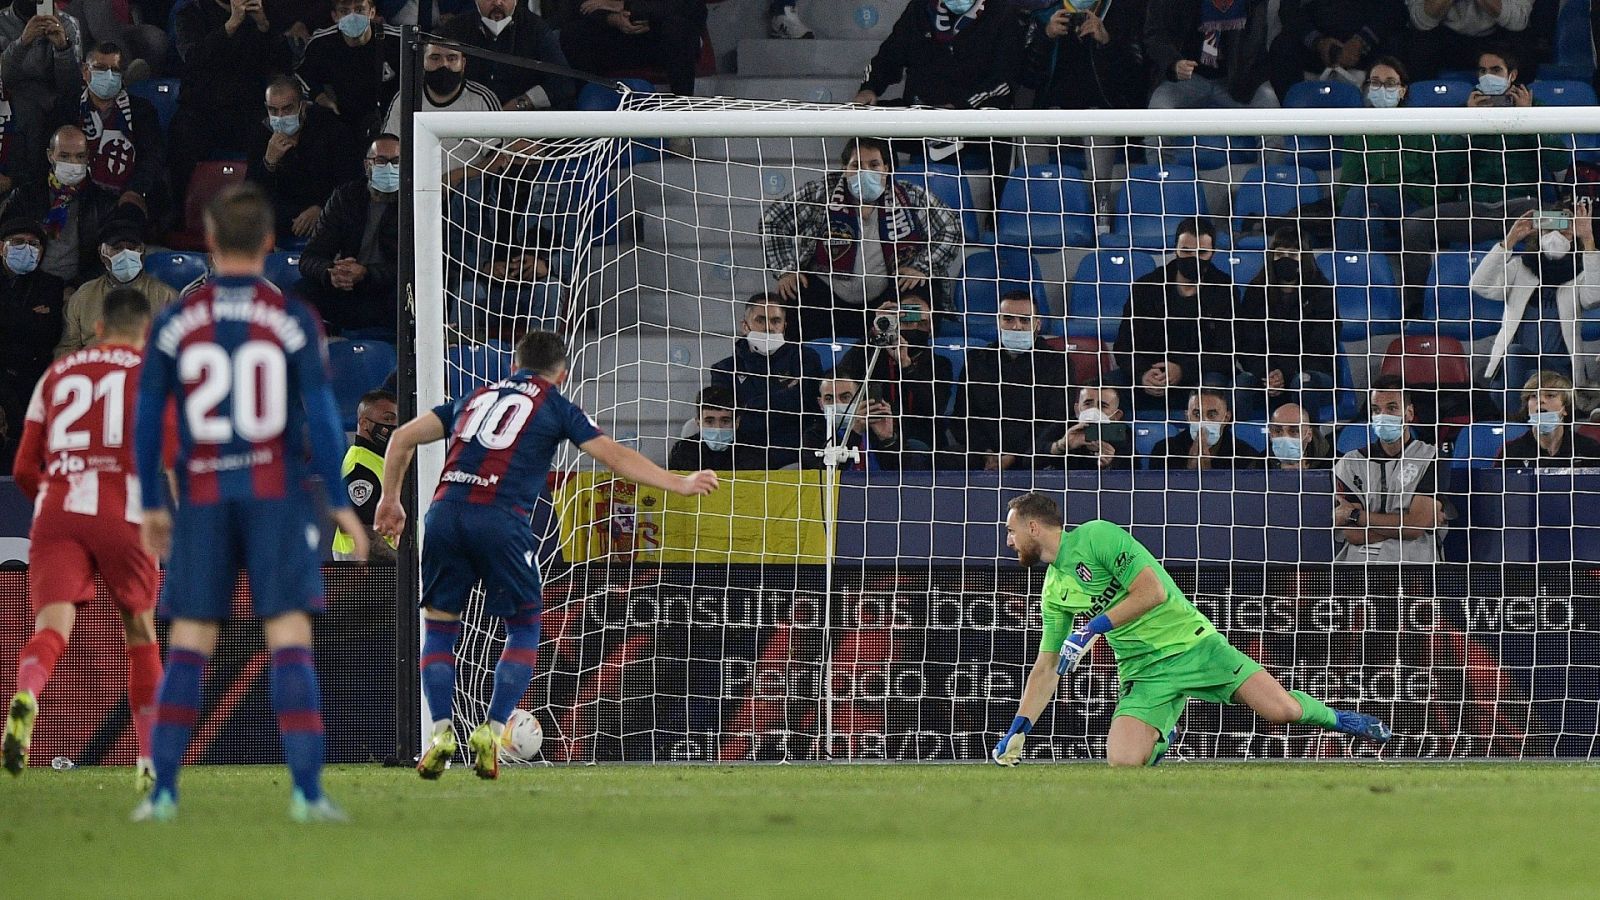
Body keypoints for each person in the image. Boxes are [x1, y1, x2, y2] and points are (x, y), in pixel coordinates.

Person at [373, 330, 718, 779]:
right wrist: (680, 483)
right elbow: (611, 456)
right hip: (500, 520)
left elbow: (401, 437)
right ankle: (493, 730)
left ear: (514, 364)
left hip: (444, 514)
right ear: (563, 373)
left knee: (439, 629)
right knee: (524, 626)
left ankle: (440, 731)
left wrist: (390, 499)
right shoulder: (554, 404)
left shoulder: (476, 396)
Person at [130, 184, 367, 823]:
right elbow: (320, 415)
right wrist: (341, 501)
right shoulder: (292, 319)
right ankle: (309, 795)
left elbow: (148, 417)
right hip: (276, 496)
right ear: (269, 244)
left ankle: (164, 794)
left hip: (203, 495)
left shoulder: (175, 321)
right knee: (288, 638)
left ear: (208, 240)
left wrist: (151, 499)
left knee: (189, 642)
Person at [991, 491, 1391, 767]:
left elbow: (1152, 592)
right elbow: (1046, 667)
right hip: (1143, 672)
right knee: (1123, 762)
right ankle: (1164, 734)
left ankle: (1339, 719)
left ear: (1032, 528)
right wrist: (1018, 729)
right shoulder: (1054, 590)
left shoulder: (1097, 535)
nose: (1008, 541)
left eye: (1010, 531)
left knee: (1282, 711)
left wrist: (1091, 628)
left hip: (1195, 646)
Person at [4, 288, 161, 786]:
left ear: (97, 327)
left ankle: (27, 693)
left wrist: (54, 503)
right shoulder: (154, 375)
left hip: (58, 511)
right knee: (140, 633)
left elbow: (25, 466)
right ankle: (149, 759)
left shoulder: (57, 374)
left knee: (51, 628)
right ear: (147, 333)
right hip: (125, 512)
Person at [1398, 48, 1570, 306]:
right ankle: (1414, 308)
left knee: (1566, 223)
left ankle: (1548, 307)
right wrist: (1466, 126)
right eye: (1483, 71)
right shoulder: (1464, 111)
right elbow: (1443, 173)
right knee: (1414, 225)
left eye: (1495, 70)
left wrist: (1529, 118)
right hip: (1473, 211)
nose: (1488, 76)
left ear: (1512, 75)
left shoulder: (1535, 108)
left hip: (1523, 210)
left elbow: (1560, 162)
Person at [760, 137, 961, 343]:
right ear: (845, 169)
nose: (864, 172)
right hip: (827, 298)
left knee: (919, 297)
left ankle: (910, 365)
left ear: (886, 168)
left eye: (873, 165)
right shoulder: (822, 192)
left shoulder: (910, 195)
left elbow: (952, 226)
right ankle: (804, 370)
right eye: (856, 165)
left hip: (887, 298)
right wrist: (785, 269)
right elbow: (773, 219)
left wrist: (923, 266)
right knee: (793, 294)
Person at [1022, 0, 1147, 228]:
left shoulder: (1121, 12)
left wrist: (1106, 41)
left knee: (1097, 125)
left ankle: (1101, 207)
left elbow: (1135, 80)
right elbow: (1026, 77)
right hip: (1054, 111)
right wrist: (1046, 36)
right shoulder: (1044, 15)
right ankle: (1039, 205)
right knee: (1027, 132)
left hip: (1100, 111)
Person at [1333, 56, 1467, 252]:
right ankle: (1372, 277)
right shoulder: (1359, 129)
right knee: (1372, 222)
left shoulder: (1419, 127)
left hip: (1417, 207)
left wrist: (1399, 190)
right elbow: (1347, 186)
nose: (1382, 88)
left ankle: (1341, 266)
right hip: (1373, 205)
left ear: (1402, 90)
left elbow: (1442, 187)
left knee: (1361, 192)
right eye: (1376, 83)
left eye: (1390, 83)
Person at [1470, 200, 1600, 398]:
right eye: (1549, 230)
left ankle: (1518, 420)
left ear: (1573, 237)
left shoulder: (1580, 273)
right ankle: (1521, 420)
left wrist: (1589, 240)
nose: (1556, 236)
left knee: (1514, 359)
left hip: (1558, 369)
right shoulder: (1520, 267)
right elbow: (1480, 285)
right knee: (1502, 383)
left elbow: (1595, 298)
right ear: (1539, 233)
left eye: (1564, 230)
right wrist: (1509, 241)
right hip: (1517, 369)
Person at [168, 0, 294, 205]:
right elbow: (193, 58)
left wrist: (264, 27)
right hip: (201, 108)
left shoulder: (262, 12)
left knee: (273, 135)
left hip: (246, 107)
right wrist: (231, 25)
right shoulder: (192, 12)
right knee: (182, 133)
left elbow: (283, 66)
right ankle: (183, 211)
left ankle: (259, 212)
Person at [1111, 216, 1233, 416]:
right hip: (1149, 375)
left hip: (1198, 377)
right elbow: (1124, 346)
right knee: (1104, 392)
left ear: (1213, 253)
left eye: (1201, 252)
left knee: (1213, 391)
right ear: (1175, 248)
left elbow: (1227, 352)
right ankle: (1106, 445)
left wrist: (1182, 370)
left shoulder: (1224, 289)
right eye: (1186, 251)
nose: (1193, 258)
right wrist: (1142, 374)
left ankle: (1207, 446)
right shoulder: (1147, 287)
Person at [1332, 375, 1446, 563]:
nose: (1383, 416)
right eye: (1376, 410)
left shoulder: (1431, 458)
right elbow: (1353, 534)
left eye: (1391, 408)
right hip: (1360, 563)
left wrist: (1355, 515)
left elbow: (1414, 527)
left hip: (1414, 564)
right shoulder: (1350, 462)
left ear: (1409, 413)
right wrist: (1405, 524)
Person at [48, 41, 168, 220]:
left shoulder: (141, 110)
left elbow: (153, 157)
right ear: (85, 71)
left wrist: (135, 190)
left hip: (126, 195)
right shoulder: (67, 107)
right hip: (75, 194)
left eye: (115, 70)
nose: (109, 76)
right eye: (101, 68)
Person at [296, 132, 400, 339]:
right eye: (380, 161)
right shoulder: (345, 198)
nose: (389, 168)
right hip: (348, 289)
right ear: (366, 165)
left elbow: (417, 267)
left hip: (387, 292)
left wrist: (366, 273)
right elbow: (309, 258)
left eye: (396, 162)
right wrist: (330, 272)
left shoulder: (417, 201)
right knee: (301, 291)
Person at [836, 293, 957, 458]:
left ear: (930, 329)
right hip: (873, 432)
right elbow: (842, 378)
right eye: (906, 321)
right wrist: (876, 334)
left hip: (921, 439)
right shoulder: (871, 354)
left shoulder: (940, 365)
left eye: (921, 323)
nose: (914, 327)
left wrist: (906, 365)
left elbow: (934, 407)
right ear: (895, 323)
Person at [958, 290, 1068, 471]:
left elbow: (1056, 421)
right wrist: (986, 453)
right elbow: (963, 416)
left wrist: (1015, 455)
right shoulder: (976, 360)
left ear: (1037, 324)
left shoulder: (1058, 364)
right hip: (980, 455)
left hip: (1033, 456)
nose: (1017, 327)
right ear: (998, 322)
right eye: (1008, 319)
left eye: (1025, 320)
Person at [707, 295, 821, 468]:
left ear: (784, 326)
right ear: (745, 326)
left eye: (775, 321)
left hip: (797, 454)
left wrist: (750, 404)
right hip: (745, 456)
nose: (768, 328)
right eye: (760, 320)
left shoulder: (806, 358)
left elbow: (806, 407)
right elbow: (731, 420)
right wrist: (785, 397)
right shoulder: (724, 370)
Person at [1234, 225, 1339, 413]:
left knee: (1303, 383)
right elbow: (1248, 343)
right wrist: (1268, 372)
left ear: (1304, 258)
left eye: (1293, 255)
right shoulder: (1256, 290)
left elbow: (1322, 347)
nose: (1285, 260)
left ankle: (1310, 439)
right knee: (1241, 384)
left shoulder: (1321, 291)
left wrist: (1286, 372)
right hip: (1265, 374)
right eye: (1280, 254)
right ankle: (1240, 439)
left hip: (1311, 371)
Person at [247, 77, 363, 245]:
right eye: (273, 110)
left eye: (287, 109)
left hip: (329, 216)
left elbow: (351, 181)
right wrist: (269, 162)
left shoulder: (332, 130)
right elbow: (253, 193)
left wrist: (322, 208)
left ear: (302, 106)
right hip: (283, 221)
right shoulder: (261, 134)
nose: (280, 116)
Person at [5, 124, 122, 285]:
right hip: (28, 284)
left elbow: (107, 257)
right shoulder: (25, 196)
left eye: (80, 156)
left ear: (88, 157)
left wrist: (77, 288)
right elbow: (7, 244)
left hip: (80, 288)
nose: (73, 163)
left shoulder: (104, 203)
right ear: (50, 155)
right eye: (65, 156)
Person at [56, 209, 176, 357]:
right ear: (102, 253)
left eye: (132, 248)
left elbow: (176, 349)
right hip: (94, 372)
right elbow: (67, 348)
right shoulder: (83, 296)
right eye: (117, 248)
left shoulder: (166, 296)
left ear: (142, 251)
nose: (126, 254)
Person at [380, 42, 499, 182]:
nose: (444, 65)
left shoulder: (481, 99)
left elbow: (499, 159)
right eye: (435, 58)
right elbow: (386, 148)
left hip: (468, 193)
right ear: (422, 62)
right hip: (415, 189)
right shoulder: (405, 98)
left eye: (452, 58)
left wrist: (458, 176)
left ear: (463, 63)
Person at [437, 0, 575, 110]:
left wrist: (522, 102)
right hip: (466, 119)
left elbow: (563, 83)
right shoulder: (455, 29)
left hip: (520, 122)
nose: (497, 3)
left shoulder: (536, 29)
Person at [553, 0, 709, 98]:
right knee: (572, 34)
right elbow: (573, 9)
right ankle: (585, 119)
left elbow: (695, 8)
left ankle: (681, 123)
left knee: (678, 29)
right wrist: (611, 19)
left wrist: (625, 5)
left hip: (658, 35)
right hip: (616, 35)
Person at [296, 0, 403, 137]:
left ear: (372, 12)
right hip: (341, 123)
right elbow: (302, 75)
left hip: (388, 123)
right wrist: (319, 96)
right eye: (345, 11)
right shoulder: (320, 44)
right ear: (335, 16)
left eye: (359, 10)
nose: (352, 16)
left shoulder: (397, 41)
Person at [1144, 0, 1276, 109]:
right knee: (1157, 115)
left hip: (1241, 80)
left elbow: (1255, 42)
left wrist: (1244, 74)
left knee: (1274, 118)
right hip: (1188, 79)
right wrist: (1173, 63)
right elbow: (1156, 34)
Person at [0, 219, 66, 438]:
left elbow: (48, 334)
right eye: (18, 242)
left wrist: (9, 317)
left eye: (33, 244)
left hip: (31, 373)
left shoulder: (51, 285)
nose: (27, 248)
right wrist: (28, 317)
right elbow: (33, 328)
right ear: (2, 247)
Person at [1267, 0, 1404, 98]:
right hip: (1319, 46)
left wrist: (1360, 42)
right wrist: (1319, 43)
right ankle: (1294, 124)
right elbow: (1289, 11)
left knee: (1399, 46)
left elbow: (1395, 9)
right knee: (1282, 47)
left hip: (1369, 44)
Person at [799, 374, 932, 472]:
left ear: (859, 399)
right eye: (829, 398)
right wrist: (854, 432)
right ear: (820, 404)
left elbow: (908, 474)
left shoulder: (876, 428)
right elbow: (824, 477)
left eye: (845, 397)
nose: (837, 403)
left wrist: (888, 440)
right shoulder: (813, 436)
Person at [333, 388, 397, 562]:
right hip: (364, 567)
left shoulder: (376, 459)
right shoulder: (360, 467)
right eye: (388, 419)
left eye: (397, 420)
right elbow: (360, 528)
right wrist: (403, 561)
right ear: (364, 423)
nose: (394, 426)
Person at [1405, 0, 1534, 80]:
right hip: (1445, 36)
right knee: (1415, 46)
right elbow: (1421, 21)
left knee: (1523, 48)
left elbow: (1518, 21)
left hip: (1496, 35)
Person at [1498, 371, 1600, 467]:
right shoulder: (1511, 453)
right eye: (1534, 396)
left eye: (1550, 395)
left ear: (1566, 407)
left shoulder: (1589, 450)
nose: (1540, 400)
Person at [1148, 388, 1264, 470]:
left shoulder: (1246, 456)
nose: (1203, 422)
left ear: (1226, 418)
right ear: (1187, 417)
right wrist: (1189, 471)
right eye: (1197, 414)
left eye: (1212, 415)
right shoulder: (1163, 451)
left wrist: (1209, 475)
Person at [668, 384, 768, 470]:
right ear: (698, 422)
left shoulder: (753, 451)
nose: (717, 428)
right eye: (709, 421)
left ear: (737, 422)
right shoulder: (683, 451)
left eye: (725, 421)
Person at [1037, 384, 1133, 471]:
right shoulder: (1063, 427)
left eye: (1103, 406)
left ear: (1116, 416)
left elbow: (1135, 471)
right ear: (1077, 410)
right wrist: (1060, 446)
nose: (1094, 410)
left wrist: (1110, 464)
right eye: (1087, 404)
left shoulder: (1121, 433)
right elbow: (1027, 460)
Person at [1266, 402, 1332, 469]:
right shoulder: (1262, 463)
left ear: (1309, 435)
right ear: (1271, 435)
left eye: (1294, 431)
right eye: (1278, 431)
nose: (1285, 437)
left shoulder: (1332, 464)